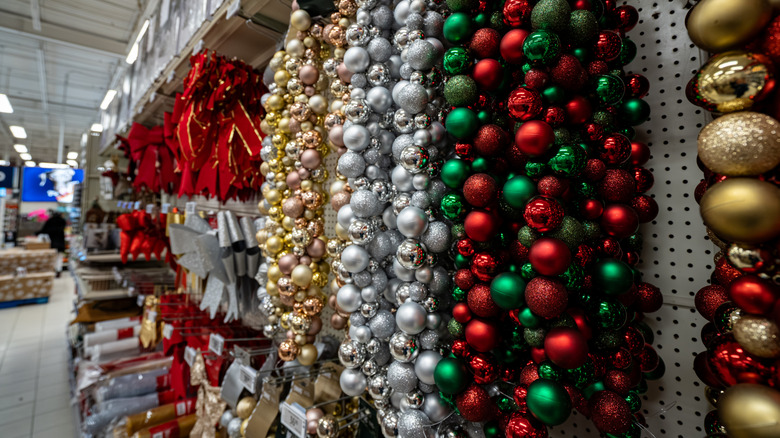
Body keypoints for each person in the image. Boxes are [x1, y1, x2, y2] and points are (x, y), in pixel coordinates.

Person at [38, 211, 67, 276]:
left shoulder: (50, 221)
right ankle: (59, 270)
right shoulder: (62, 221)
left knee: (53, 257)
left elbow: (44, 230)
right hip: (60, 243)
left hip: (52, 243)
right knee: (59, 257)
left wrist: (36, 233)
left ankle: (52, 270)